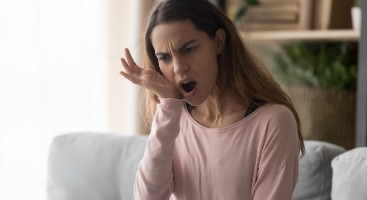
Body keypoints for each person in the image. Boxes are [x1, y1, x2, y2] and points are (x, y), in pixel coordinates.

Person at [120, 0, 305, 199]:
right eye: (165, 58)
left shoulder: (273, 121)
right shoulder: (172, 119)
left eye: (188, 49)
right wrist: (168, 106)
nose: (178, 67)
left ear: (218, 42)